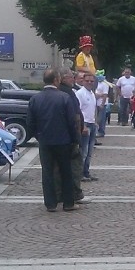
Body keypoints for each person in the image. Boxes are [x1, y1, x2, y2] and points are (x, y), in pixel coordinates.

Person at [28, 68, 78, 212]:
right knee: (66, 172)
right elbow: (71, 122)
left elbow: (30, 122)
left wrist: (38, 136)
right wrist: (74, 139)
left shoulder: (35, 99)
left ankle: (50, 203)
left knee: (47, 172)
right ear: (56, 80)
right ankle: (68, 203)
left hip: (45, 141)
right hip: (63, 141)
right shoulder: (64, 97)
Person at [57, 67, 85, 203]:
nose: (73, 79)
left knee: (57, 168)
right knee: (74, 166)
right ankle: (74, 194)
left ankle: (58, 194)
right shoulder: (68, 93)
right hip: (69, 137)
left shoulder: (59, 92)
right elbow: (75, 117)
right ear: (63, 78)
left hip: (59, 137)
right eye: (70, 77)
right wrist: (76, 137)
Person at [76, 73, 98, 181]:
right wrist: (83, 126)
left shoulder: (92, 93)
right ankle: (80, 174)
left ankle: (86, 172)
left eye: (91, 81)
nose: (89, 83)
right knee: (83, 151)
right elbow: (78, 111)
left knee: (89, 152)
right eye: (87, 81)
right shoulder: (80, 94)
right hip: (85, 125)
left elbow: (93, 109)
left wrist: (95, 121)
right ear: (83, 81)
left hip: (92, 124)